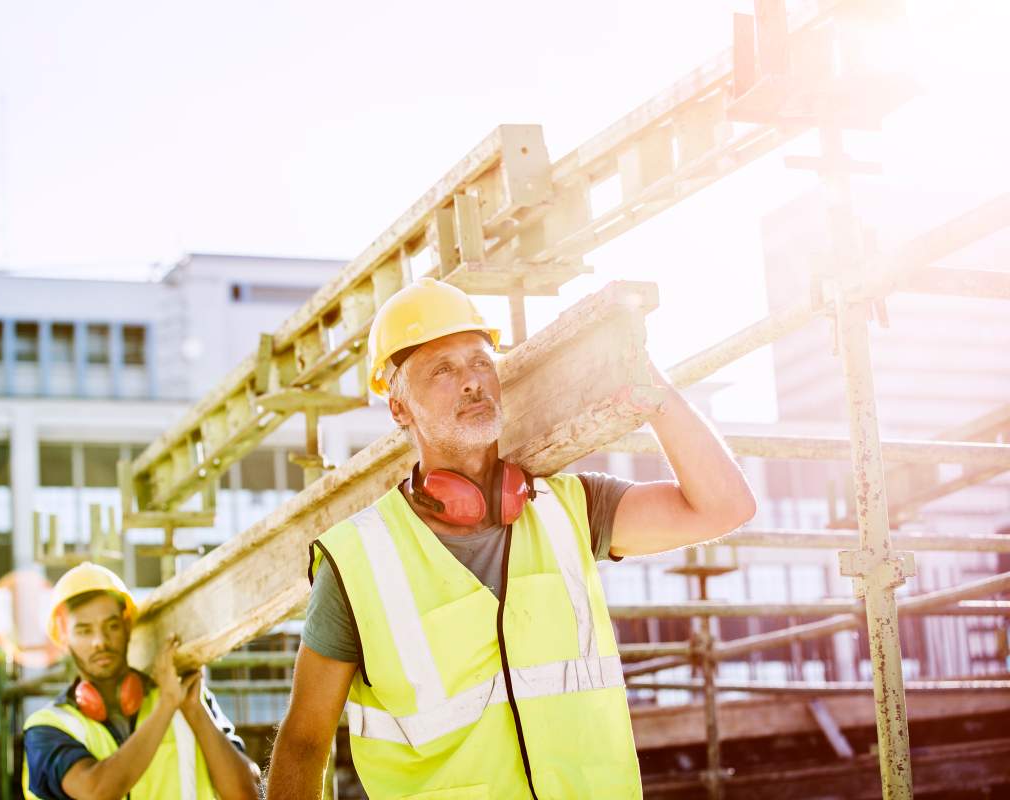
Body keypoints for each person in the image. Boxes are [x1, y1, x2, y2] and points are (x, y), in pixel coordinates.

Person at [267, 277, 757, 799]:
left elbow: (724, 506)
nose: (473, 381)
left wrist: (652, 391)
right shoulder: (357, 562)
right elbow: (303, 741)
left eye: (481, 362)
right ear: (400, 409)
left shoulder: (571, 510)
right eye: (443, 370)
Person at [22, 562, 260, 800]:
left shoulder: (187, 696)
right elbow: (96, 792)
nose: (100, 641)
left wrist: (195, 711)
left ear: (127, 626)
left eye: (112, 626)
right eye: (84, 630)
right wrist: (166, 705)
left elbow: (247, 793)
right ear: (64, 637)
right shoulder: (48, 728)